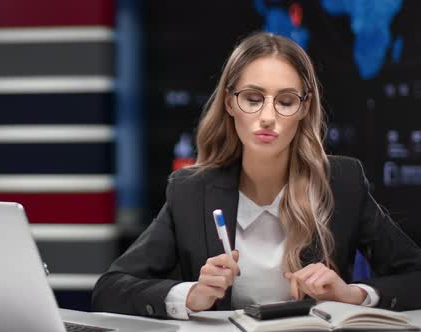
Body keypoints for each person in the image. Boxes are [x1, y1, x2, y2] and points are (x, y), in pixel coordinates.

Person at [91, 32, 421, 319]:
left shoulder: (342, 182)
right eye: (253, 99)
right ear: (230, 103)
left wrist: (351, 296)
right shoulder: (191, 190)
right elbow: (110, 289)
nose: (267, 117)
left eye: (286, 101)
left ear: (303, 109)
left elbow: (415, 276)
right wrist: (190, 295)